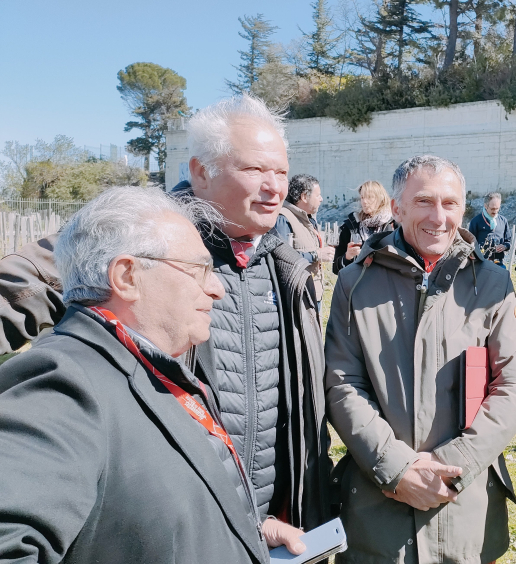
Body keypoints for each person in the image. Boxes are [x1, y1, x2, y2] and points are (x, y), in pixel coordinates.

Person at [0, 94, 333, 546]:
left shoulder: (286, 252)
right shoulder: (141, 232)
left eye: (281, 171)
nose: (274, 187)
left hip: (272, 520)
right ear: (200, 172)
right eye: (255, 169)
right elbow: (25, 283)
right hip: (179, 524)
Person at [0, 187, 269, 564]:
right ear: (127, 276)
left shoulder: (145, 367)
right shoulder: (62, 382)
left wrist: (246, 536)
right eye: (199, 270)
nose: (217, 289)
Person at [325, 155, 516, 563]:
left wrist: (451, 465)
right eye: (423, 201)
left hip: (466, 506)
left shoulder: (493, 284)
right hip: (377, 509)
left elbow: (514, 384)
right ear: (397, 208)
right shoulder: (355, 283)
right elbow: (342, 383)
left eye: (450, 203)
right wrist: (396, 469)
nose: (438, 217)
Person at [274, 174, 337, 307]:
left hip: (313, 293)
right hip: (298, 296)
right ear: (304, 197)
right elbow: (281, 259)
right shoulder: (283, 219)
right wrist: (316, 255)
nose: (321, 199)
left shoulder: (308, 219)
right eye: (317, 195)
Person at [333, 180, 396, 274]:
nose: (364, 201)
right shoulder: (351, 226)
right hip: (358, 281)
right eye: (362, 197)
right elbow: (336, 269)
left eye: (370, 197)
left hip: (386, 280)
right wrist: (347, 257)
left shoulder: (393, 225)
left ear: (381, 198)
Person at [467, 191, 513, 266]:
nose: (495, 211)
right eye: (492, 209)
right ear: (485, 206)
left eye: (497, 208)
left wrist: (504, 246)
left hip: (498, 263)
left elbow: (508, 242)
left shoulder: (503, 221)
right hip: (480, 263)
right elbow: (470, 243)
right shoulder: (476, 221)